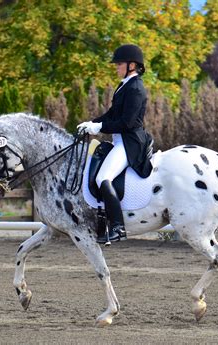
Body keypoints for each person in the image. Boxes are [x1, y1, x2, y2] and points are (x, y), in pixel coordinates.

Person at [77, 44, 153, 244]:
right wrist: (92, 123)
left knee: (104, 177)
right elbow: (112, 115)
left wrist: (100, 128)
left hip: (130, 143)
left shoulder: (136, 88)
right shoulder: (124, 85)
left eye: (119, 64)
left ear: (132, 65)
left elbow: (126, 123)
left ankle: (118, 226)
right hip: (120, 140)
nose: (116, 67)